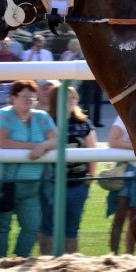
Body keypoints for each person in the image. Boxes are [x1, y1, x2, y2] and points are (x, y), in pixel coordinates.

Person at [0, 80, 58, 258]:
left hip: (32, 185)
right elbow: (0, 142)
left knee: (31, 226)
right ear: (13, 98)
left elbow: (58, 139)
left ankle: (21, 260)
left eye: (32, 96)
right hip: (4, 184)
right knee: (0, 228)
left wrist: (43, 146)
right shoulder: (3, 115)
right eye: (24, 96)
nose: (29, 99)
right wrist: (33, 147)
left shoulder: (42, 117)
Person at [39, 85, 97, 255]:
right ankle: (46, 264)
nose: (71, 101)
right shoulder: (47, 121)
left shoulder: (84, 123)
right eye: (66, 97)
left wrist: (89, 180)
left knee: (72, 230)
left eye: (73, 97)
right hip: (50, 185)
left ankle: (71, 265)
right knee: (47, 227)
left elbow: (93, 152)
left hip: (77, 184)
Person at [106, 115, 136, 254]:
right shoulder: (124, 117)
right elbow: (112, 141)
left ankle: (129, 256)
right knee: (120, 216)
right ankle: (113, 255)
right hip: (126, 172)